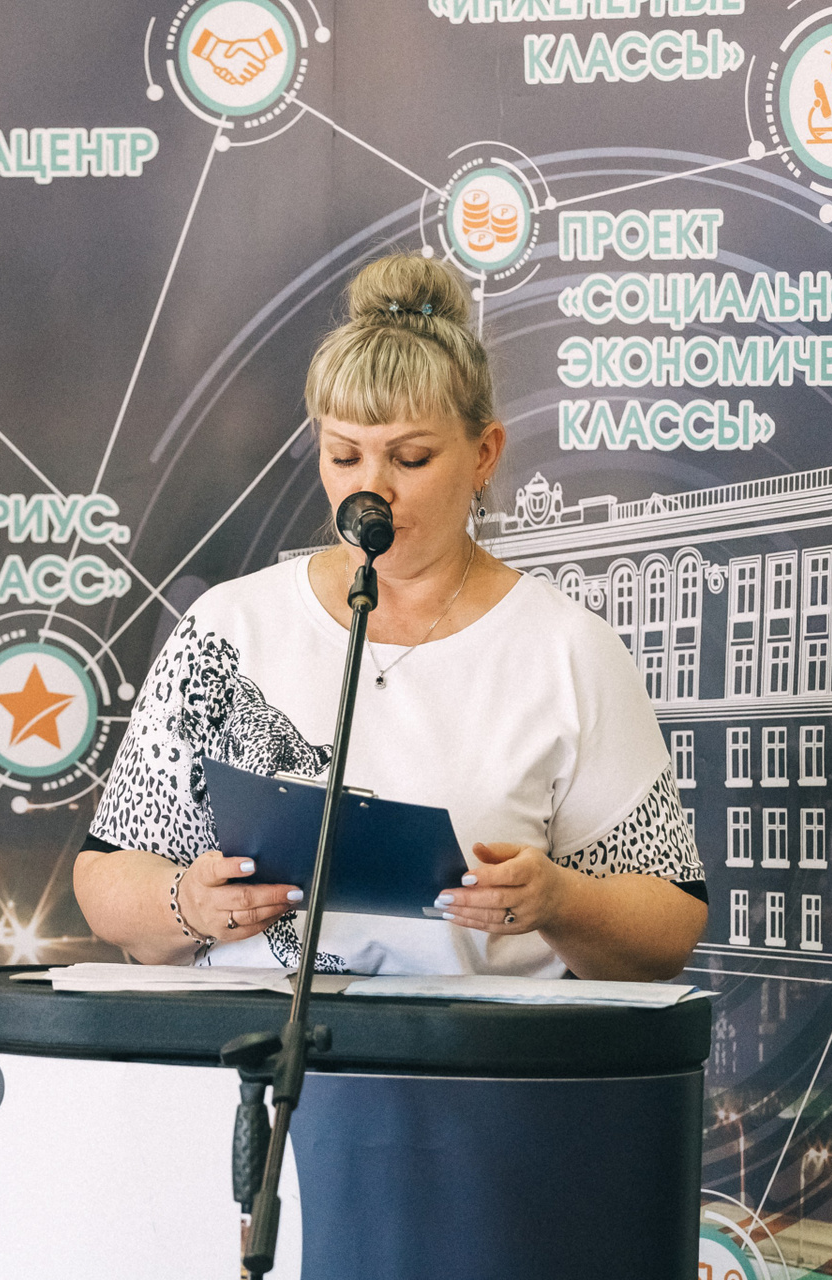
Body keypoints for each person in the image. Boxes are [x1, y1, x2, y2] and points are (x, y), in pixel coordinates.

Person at [73, 254, 705, 981]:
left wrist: (560, 901)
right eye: (344, 456)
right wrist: (186, 902)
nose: (370, 491)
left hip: (473, 1045)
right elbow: (106, 877)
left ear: (484, 454)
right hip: (250, 1043)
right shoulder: (227, 628)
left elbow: (669, 928)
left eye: (410, 458)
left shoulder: (567, 649)